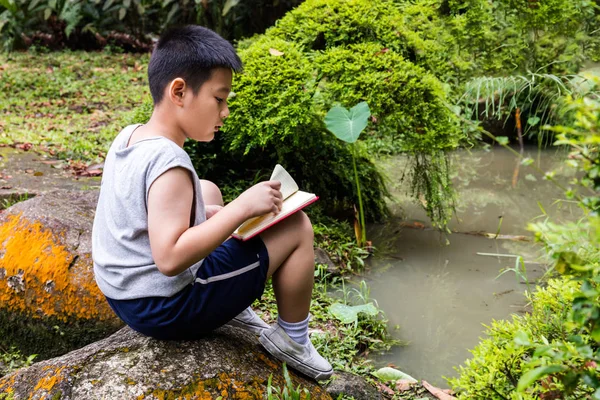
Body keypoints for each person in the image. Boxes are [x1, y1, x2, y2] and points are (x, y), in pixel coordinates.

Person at [91, 25, 333, 381]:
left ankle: (234, 309)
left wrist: (214, 214)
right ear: (179, 91)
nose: (226, 111)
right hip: (165, 307)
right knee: (297, 226)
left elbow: (151, 215)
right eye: (219, 99)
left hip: (124, 292)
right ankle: (293, 339)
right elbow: (170, 258)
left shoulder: (130, 136)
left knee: (206, 190)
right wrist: (241, 209)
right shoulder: (169, 163)